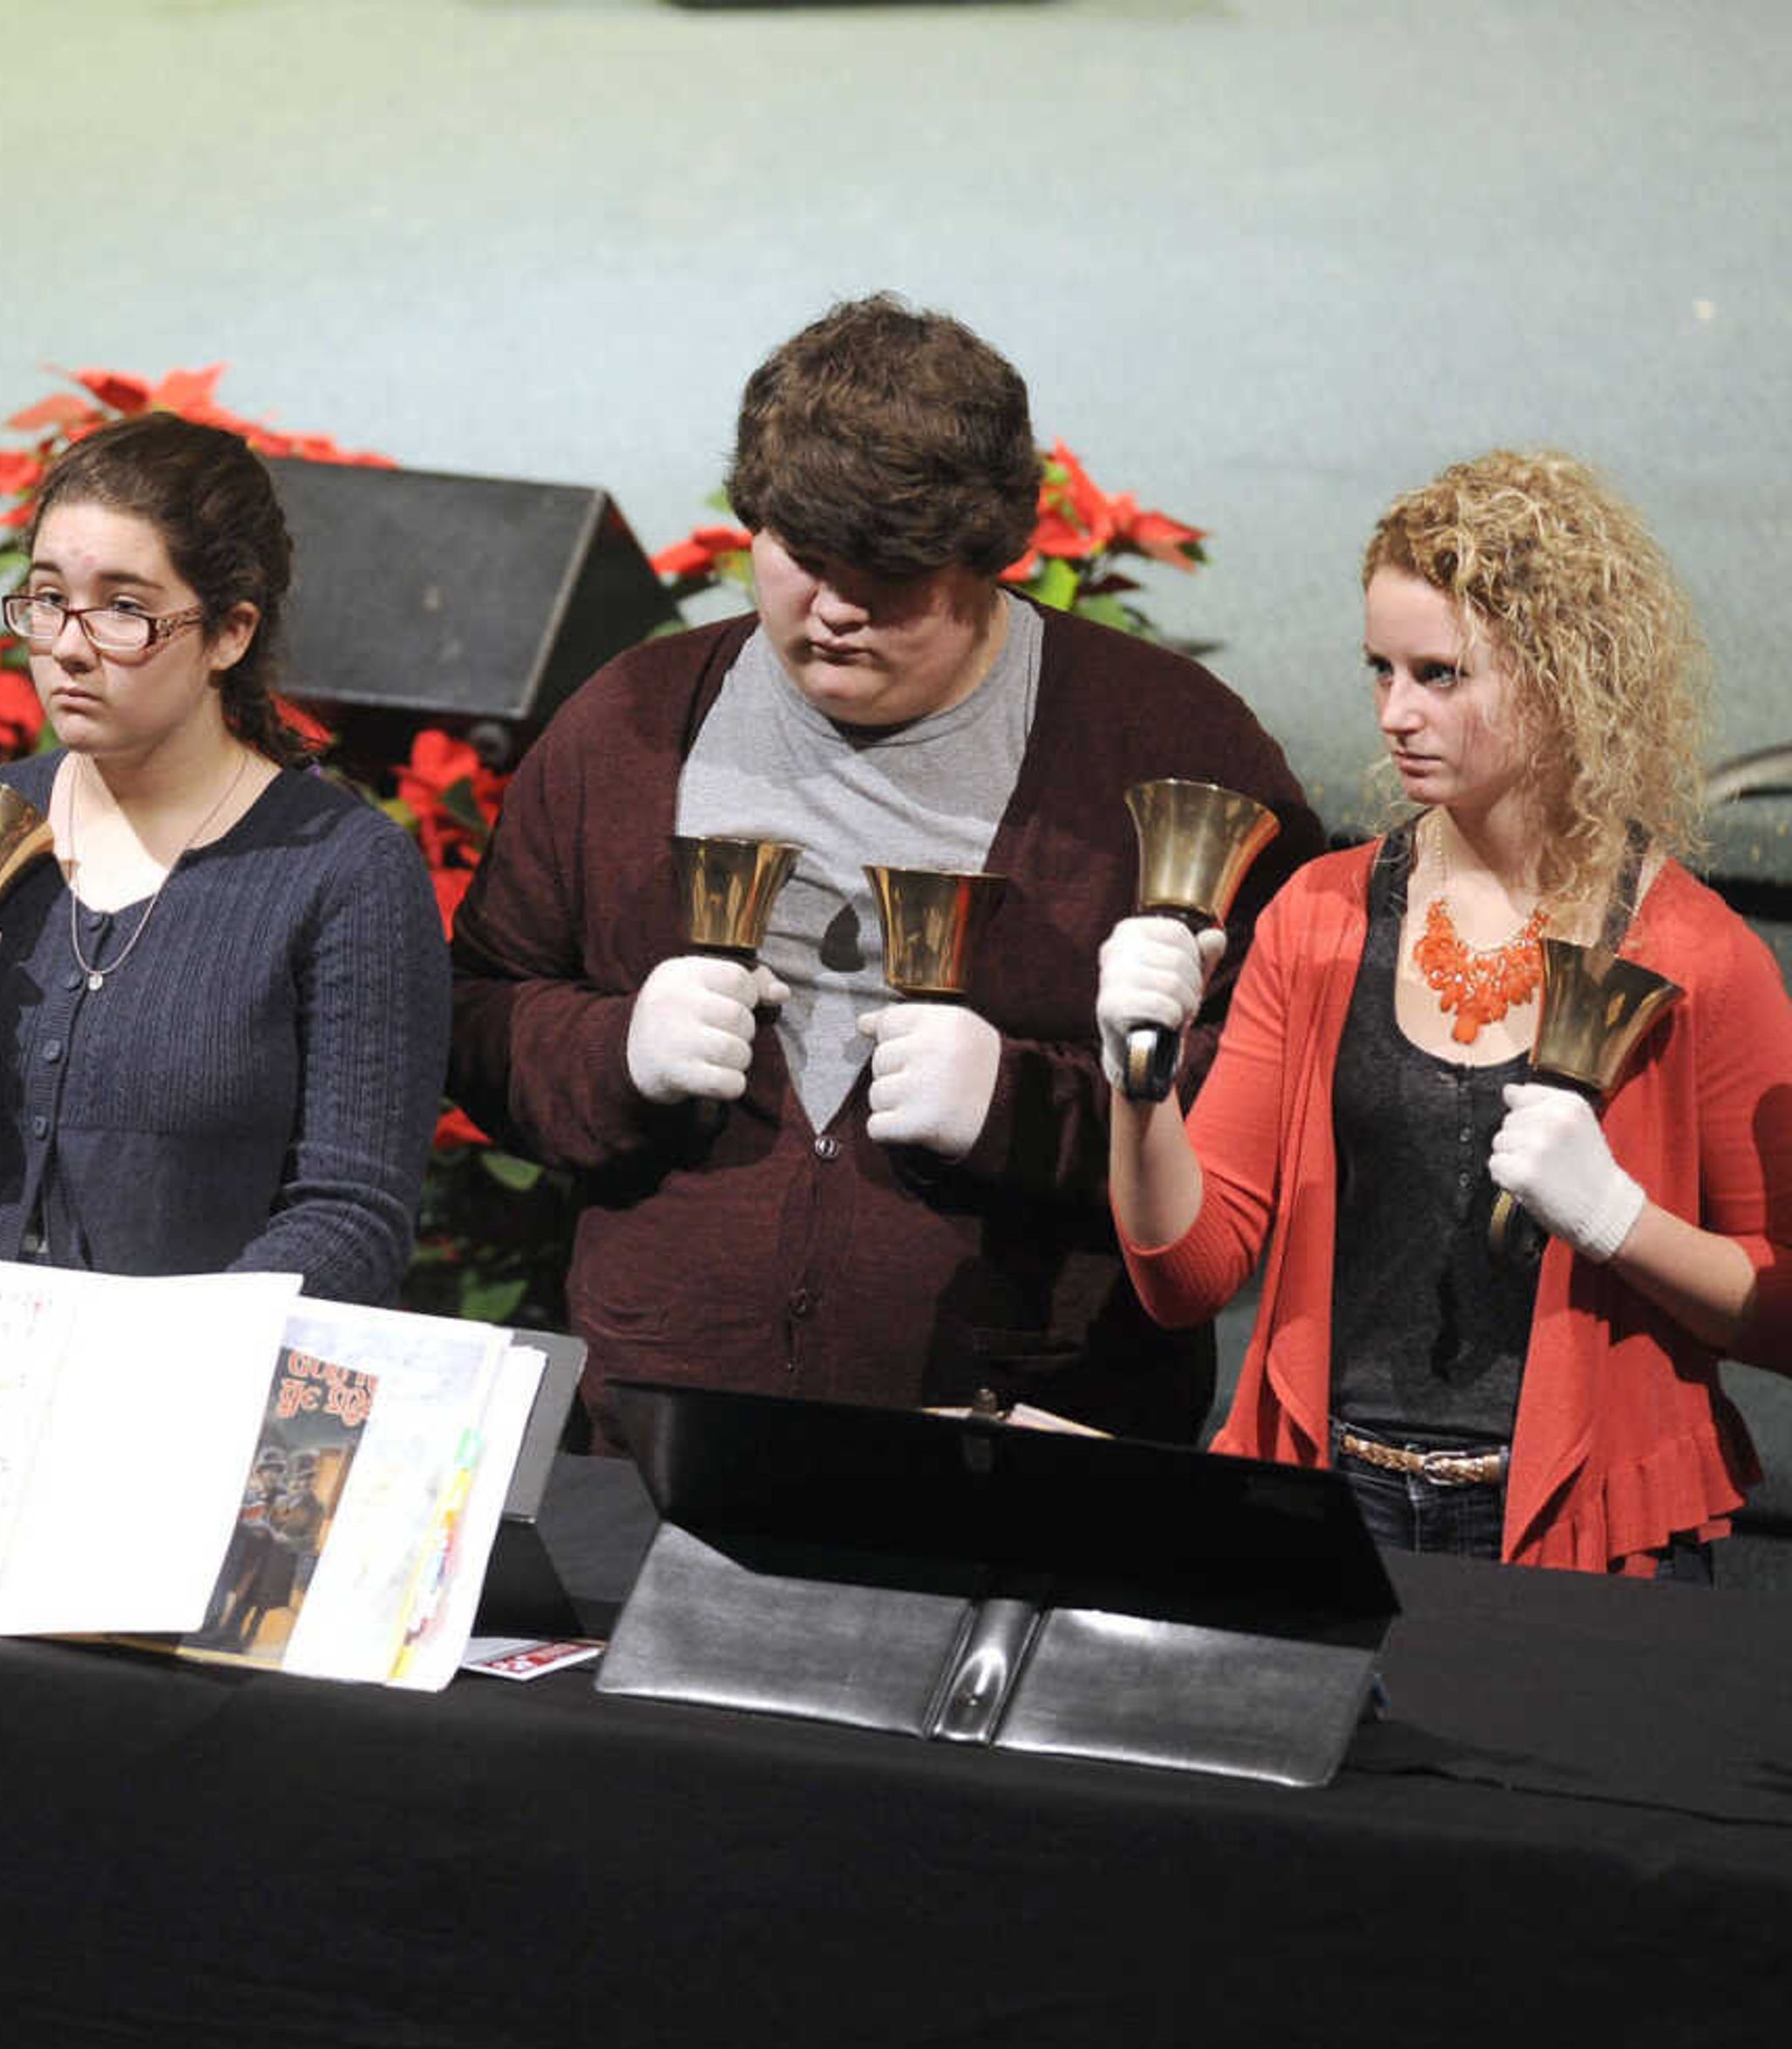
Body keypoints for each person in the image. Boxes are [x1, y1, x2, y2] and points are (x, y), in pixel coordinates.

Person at [449, 295, 1320, 1444]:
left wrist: (1021, 1105)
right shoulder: (629, 726)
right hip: (668, 1444)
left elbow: (1289, 1087)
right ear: (752, 526)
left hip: (1026, 1463)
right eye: (803, 560)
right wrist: (618, 1054)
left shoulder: (1169, 753)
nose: (839, 611)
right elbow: (478, 1011)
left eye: (893, 574)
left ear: (990, 554)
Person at [1103, 451, 1791, 1576]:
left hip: (1586, 1529)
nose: (1394, 713)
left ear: (1566, 676)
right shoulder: (1321, 918)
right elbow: (1190, 1275)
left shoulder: (1695, 956)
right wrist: (1138, 1088)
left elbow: (1784, 1307)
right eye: (1380, 670)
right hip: (1333, 1505)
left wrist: (1621, 1226)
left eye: (1440, 674)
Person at [0, 412, 450, 1306]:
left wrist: (158, 1358)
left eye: (124, 610)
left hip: (183, 1403)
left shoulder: (341, 871)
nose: (65, 646)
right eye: (47, 597)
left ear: (229, 633)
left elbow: (351, 1218)